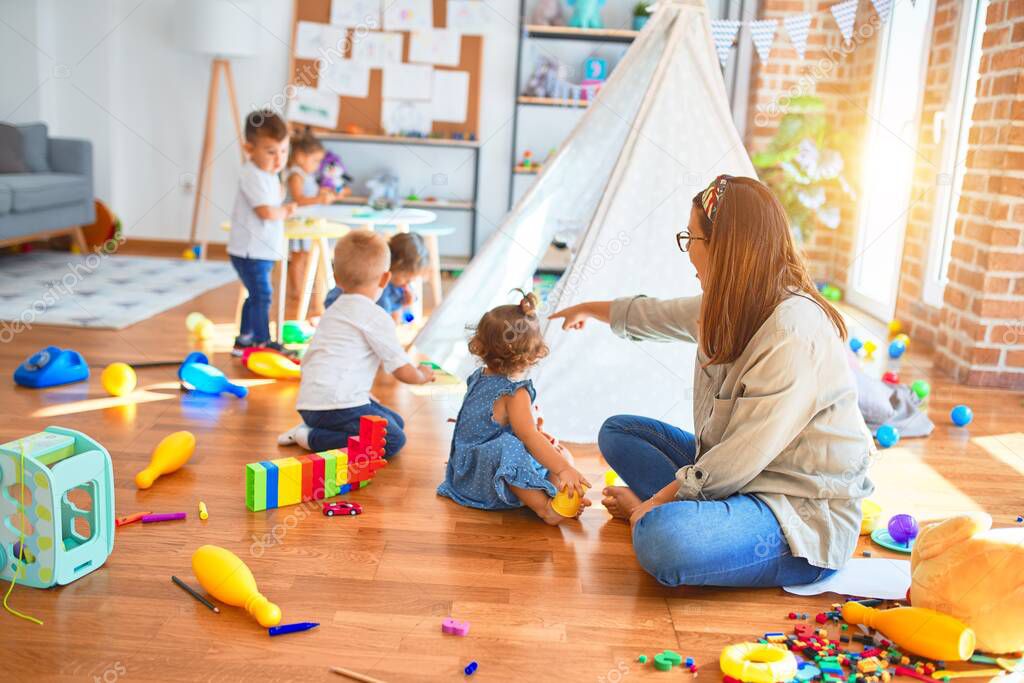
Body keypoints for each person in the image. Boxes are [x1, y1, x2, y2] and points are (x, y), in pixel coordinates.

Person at [551, 175, 874, 587]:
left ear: (724, 248)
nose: (688, 254)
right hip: (740, 482)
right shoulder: (734, 302)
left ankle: (671, 519)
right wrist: (587, 309)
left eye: (692, 239)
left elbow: (738, 458)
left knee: (664, 541)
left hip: (794, 513)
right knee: (618, 432)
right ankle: (682, 514)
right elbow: (656, 315)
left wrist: (650, 506)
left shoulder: (791, 333)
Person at [437, 291, 592, 525]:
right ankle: (545, 508)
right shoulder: (515, 393)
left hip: (464, 471)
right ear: (534, 353)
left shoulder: (478, 377)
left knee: (557, 449)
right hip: (480, 482)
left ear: (479, 344)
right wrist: (562, 469)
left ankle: (560, 494)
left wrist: (543, 440)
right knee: (520, 449)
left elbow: (511, 430)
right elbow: (527, 437)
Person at [277, 231, 434, 456]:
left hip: (312, 402)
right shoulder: (376, 316)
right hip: (335, 407)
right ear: (384, 278)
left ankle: (314, 427)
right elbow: (401, 369)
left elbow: (330, 359)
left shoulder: (334, 309)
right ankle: (311, 437)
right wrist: (421, 376)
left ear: (336, 277)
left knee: (396, 422)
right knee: (392, 440)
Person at [228, 109, 296, 354]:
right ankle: (262, 342)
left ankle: (244, 339)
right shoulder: (252, 174)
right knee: (263, 295)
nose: (279, 159)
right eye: (270, 152)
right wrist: (286, 210)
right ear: (249, 149)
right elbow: (266, 212)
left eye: (283, 151)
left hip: (262, 250)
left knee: (256, 294)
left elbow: (274, 198)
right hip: (249, 251)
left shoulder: (269, 174)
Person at [284, 128, 348, 322]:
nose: (318, 165)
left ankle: (305, 288)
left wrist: (329, 195)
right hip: (297, 223)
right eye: (315, 161)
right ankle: (296, 291)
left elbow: (313, 196)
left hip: (307, 223)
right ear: (301, 157)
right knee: (298, 257)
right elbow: (299, 198)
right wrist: (318, 198)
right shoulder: (296, 174)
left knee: (306, 256)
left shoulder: (307, 175)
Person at [324, 232, 429, 324]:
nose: (408, 283)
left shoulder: (399, 284)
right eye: (406, 278)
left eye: (411, 280)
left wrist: (409, 300)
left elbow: (408, 296)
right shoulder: (378, 288)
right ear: (395, 266)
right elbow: (382, 319)